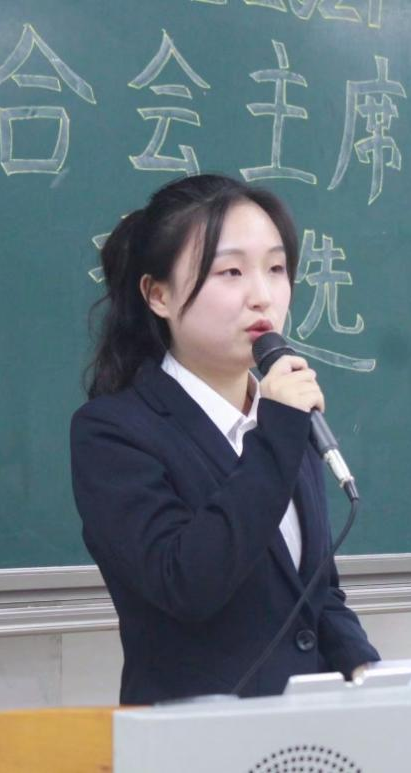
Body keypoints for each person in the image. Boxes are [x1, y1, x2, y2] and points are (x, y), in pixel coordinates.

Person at [70, 174, 379, 704]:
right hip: (192, 736)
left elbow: (316, 592)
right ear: (158, 295)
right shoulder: (113, 431)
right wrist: (276, 434)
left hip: (308, 732)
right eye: (231, 272)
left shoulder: (283, 415)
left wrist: (364, 668)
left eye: (276, 269)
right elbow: (187, 584)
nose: (262, 296)